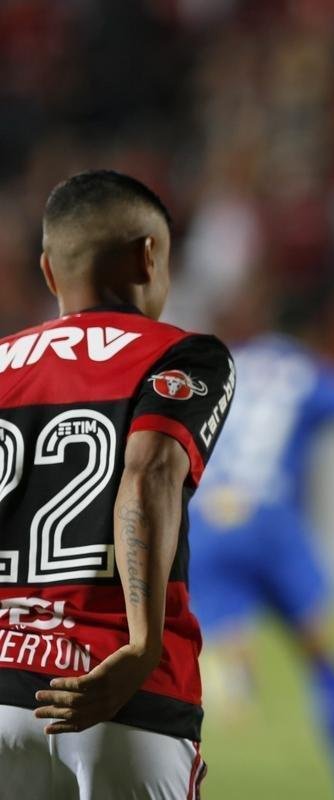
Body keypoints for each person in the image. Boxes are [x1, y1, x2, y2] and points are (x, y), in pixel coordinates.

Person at [0, 170, 235, 798]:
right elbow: (151, 468)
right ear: (149, 255)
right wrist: (140, 644)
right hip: (119, 696)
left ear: (50, 272)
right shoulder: (183, 354)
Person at [186, 302, 334, 799]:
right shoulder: (298, 370)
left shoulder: (216, 374)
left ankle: (230, 657)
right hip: (270, 521)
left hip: (206, 525)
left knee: (216, 646)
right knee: (324, 658)